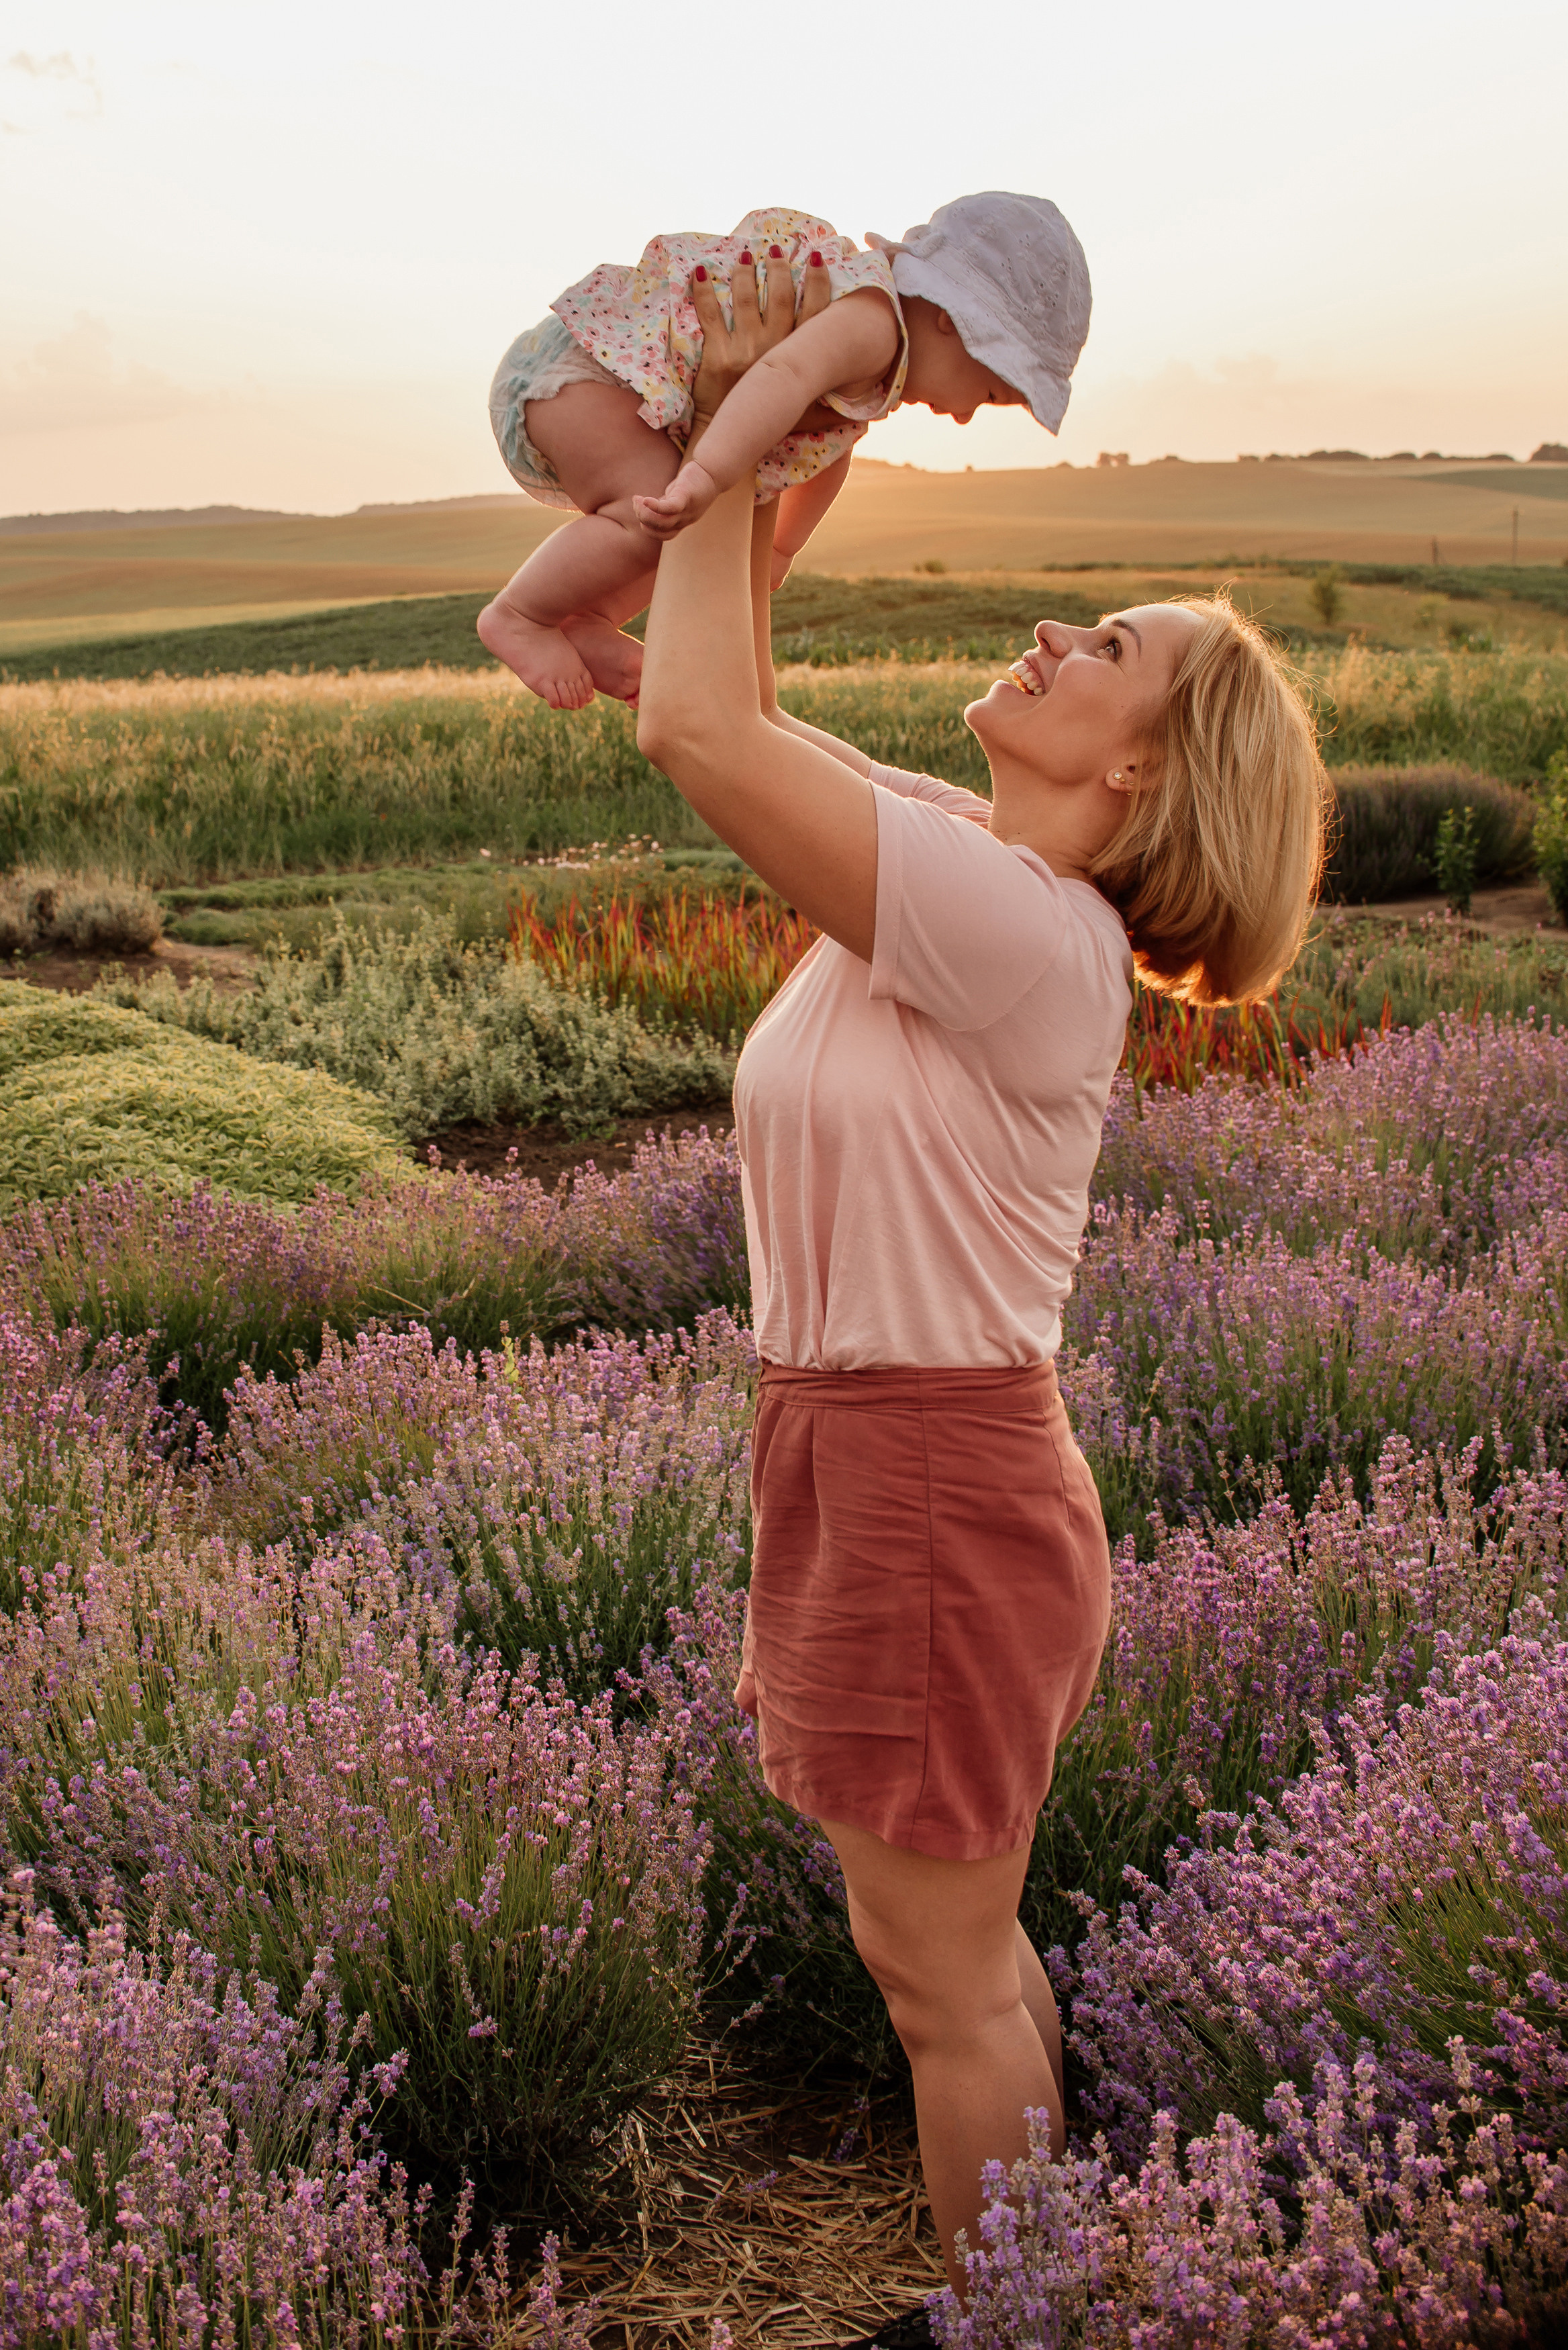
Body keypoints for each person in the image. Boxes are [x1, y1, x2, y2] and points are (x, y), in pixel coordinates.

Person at [634, 267, 1330, 2345]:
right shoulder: (958, 867)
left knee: (938, 1979)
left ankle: (1014, 2317)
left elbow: (691, 724)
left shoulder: (1027, 935)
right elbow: (737, 702)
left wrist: (742, 432)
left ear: (1139, 773)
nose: (1053, 631)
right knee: (959, 1953)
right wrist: (794, 448)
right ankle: (1048, 2289)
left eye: (1102, 645)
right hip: (879, 1457)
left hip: (929, 1475)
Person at [479, 194, 1090, 708]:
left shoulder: (878, 365)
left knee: (681, 537)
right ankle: (519, 615)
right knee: (651, 516)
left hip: (612, 392)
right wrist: (708, 474)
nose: (962, 416)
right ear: (955, 322)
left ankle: (587, 617)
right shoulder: (875, 324)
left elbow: (827, 453)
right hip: (587, 377)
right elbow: (782, 376)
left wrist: (780, 547)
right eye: (986, 393)